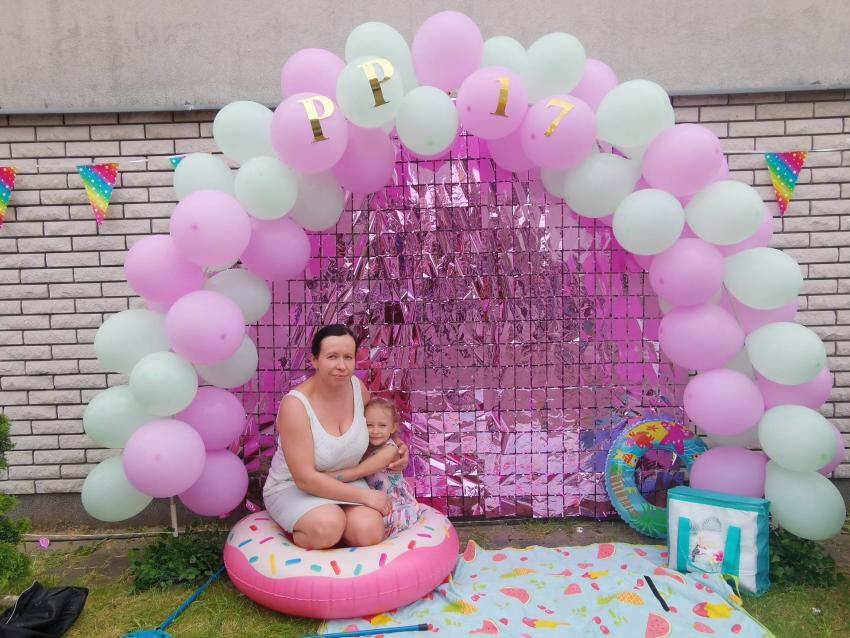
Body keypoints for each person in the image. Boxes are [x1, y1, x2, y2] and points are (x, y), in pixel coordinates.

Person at [263, 324, 409, 549]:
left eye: (348, 357)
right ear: (314, 360)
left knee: (369, 530)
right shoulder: (295, 405)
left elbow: (375, 428)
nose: (342, 366)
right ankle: (314, 535)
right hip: (294, 487)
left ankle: (341, 537)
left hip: (345, 479)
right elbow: (304, 479)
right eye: (332, 357)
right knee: (328, 525)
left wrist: (397, 446)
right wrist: (365, 497)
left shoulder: (357, 389)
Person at [325, 397, 422, 537]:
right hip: (369, 497)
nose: (375, 431)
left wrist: (321, 478)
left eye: (382, 425)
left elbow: (357, 472)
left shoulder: (389, 451)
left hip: (391, 503)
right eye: (369, 425)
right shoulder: (365, 444)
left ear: (392, 427)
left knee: (367, 527)